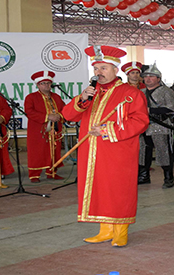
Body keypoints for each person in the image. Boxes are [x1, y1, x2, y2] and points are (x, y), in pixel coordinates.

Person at [62, 45, 149, 247]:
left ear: (115, 70)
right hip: (91, 151)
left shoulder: (130, 93)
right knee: (97, 189)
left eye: (103, 68)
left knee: (118, 189)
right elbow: (67, 115)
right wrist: (81, 99)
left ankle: (120, 230)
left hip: (118, 150)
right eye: (96, 69)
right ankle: (105, 229)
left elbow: (141, 121)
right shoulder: (91, 93)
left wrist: (107, 130)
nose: (99, 73)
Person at [139, 63, 174, 188]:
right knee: (143, 151)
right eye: (146, 76)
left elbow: (172, 109)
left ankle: (168, 177)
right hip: (143, 126)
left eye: (152, 76)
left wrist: (151, 111)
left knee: (163, 152)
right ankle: (144, 176)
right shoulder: (140, 92)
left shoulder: (167, 91)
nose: (148, 79)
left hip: (160, 125)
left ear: (158, 79)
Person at [24, 71, 66, 183]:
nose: (46, 85)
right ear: (38, 85)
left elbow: (64, 110)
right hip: (38, 130)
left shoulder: (56, 97)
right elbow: (29, 112)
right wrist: (48, 117)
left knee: (54, 150)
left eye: (48, 83)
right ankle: (34, 175)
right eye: (43, 83)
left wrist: (59, 116)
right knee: (37, 151)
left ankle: (52, 172)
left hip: (55, 129)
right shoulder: (31, 97)